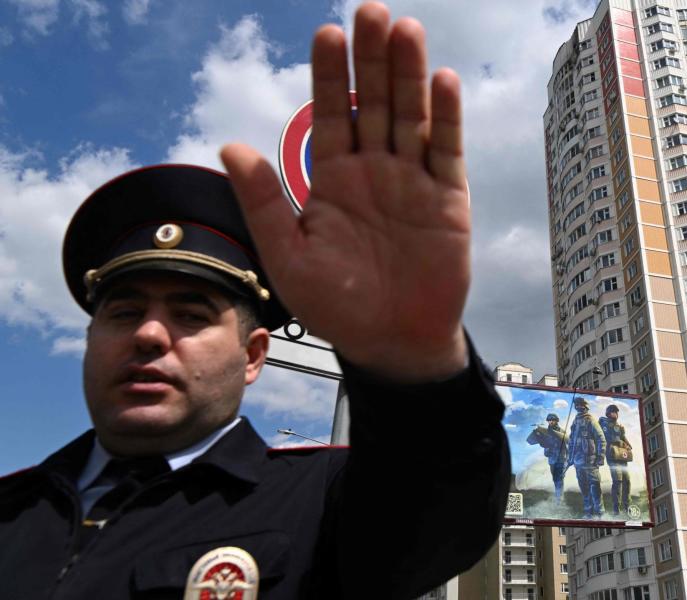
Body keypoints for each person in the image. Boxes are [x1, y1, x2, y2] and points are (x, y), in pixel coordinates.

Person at [0, 3, 509, 599]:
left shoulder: (323, 500)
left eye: (192, 314)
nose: (149, 334)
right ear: (89, 340)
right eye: (124, 311)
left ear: (253, 354)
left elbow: (439, 507)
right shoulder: (12, 509)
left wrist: (411, 361)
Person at [565, 397, 605, 518]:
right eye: (576, 405)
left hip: (590, 461)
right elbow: (571, 441)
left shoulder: (590, 420)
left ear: (585, 406)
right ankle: (588, 512)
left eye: (580, 405)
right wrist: (569, 459)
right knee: (584, 488)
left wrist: (600, 457)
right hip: (578, 462)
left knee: (595, 486)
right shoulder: (575, 421)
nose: (578, 407)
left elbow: (601, 439)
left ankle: (600, 512)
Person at [599, 404, 633, 516]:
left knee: (626, 481)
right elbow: (608, 438)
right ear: (608, 413)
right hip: (612, 455)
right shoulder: (604, 424)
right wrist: (621, 443)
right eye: (613, 412)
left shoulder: (620, 427)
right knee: (617, 481)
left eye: (617, 412)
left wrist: (628, 445)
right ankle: (616, 509)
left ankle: (627, 506)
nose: (616, 414)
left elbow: (623, 438)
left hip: (621, 455)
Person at [525, 413, 566, 502]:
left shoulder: (562, 432)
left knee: (559, 478)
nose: (551, 422)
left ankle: (559, 497)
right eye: (549, 420)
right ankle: (558, 495)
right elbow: (534, 441)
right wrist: (539, 436)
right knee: (555, 478)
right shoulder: (544, 431)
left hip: (560, 458)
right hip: (551, 459)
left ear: (556, 421)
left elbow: (565, 444)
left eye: (553, 420)